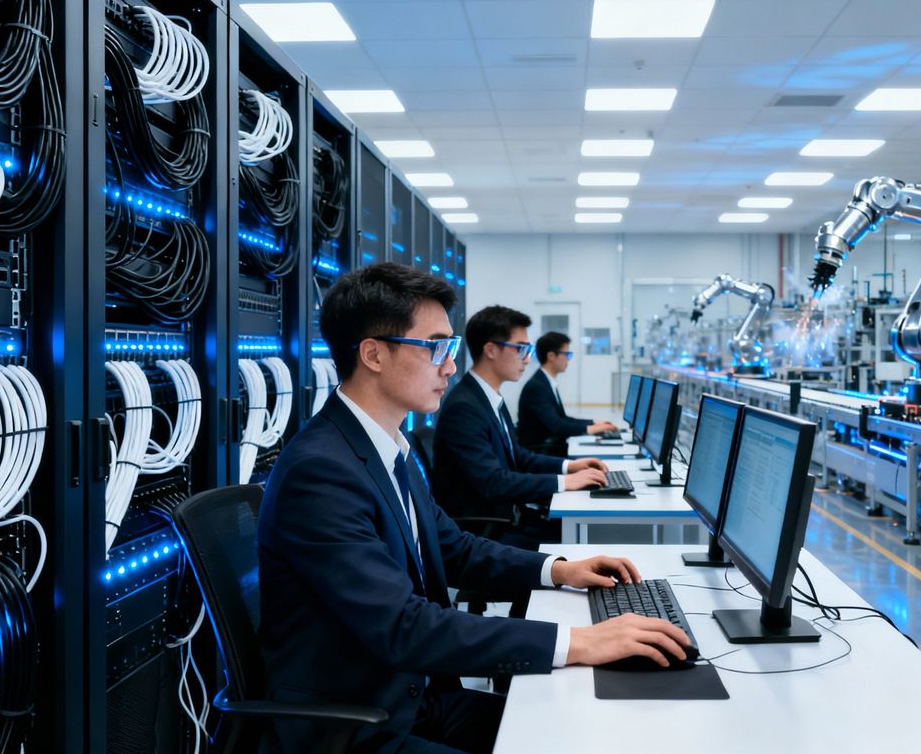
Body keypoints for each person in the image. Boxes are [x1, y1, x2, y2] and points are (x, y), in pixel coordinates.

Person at [258, 263, 691, 753]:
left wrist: (560, 570)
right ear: (373, 354)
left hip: (416, 697)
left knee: (588, 729)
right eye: (435, 348)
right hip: (359, 726)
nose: (449, 367)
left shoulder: (383, 445)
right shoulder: (321, 472)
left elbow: (454, 546)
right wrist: (578, 642)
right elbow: (403, 626)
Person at [433, 307, 607, 547]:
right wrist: (564, 482)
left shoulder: (488, 397)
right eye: (521, 349)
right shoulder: (464, 408)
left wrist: (570, 467)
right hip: (488, 533)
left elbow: (518, 456)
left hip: (508, 516)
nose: (527, 359)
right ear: (491, 350)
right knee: (580, 539)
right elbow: (493, 482)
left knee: (581, 528)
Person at [517, 331, 617, 456]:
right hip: (542, 452)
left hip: (549, 446)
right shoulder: (537, 387)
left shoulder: (545, 381)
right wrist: (593, 429)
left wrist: (593, 422)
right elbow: (557, 426)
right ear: (551, 356)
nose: (568, 360)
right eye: (567, 354)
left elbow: (562, 419)